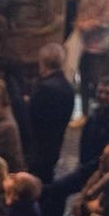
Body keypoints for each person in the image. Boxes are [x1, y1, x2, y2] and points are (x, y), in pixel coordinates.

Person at [27, 43, 76, 183]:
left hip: (37, 147)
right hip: (55, 145)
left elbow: (31, 118)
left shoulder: (43, 88)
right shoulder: (68, 88)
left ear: (42, 62)